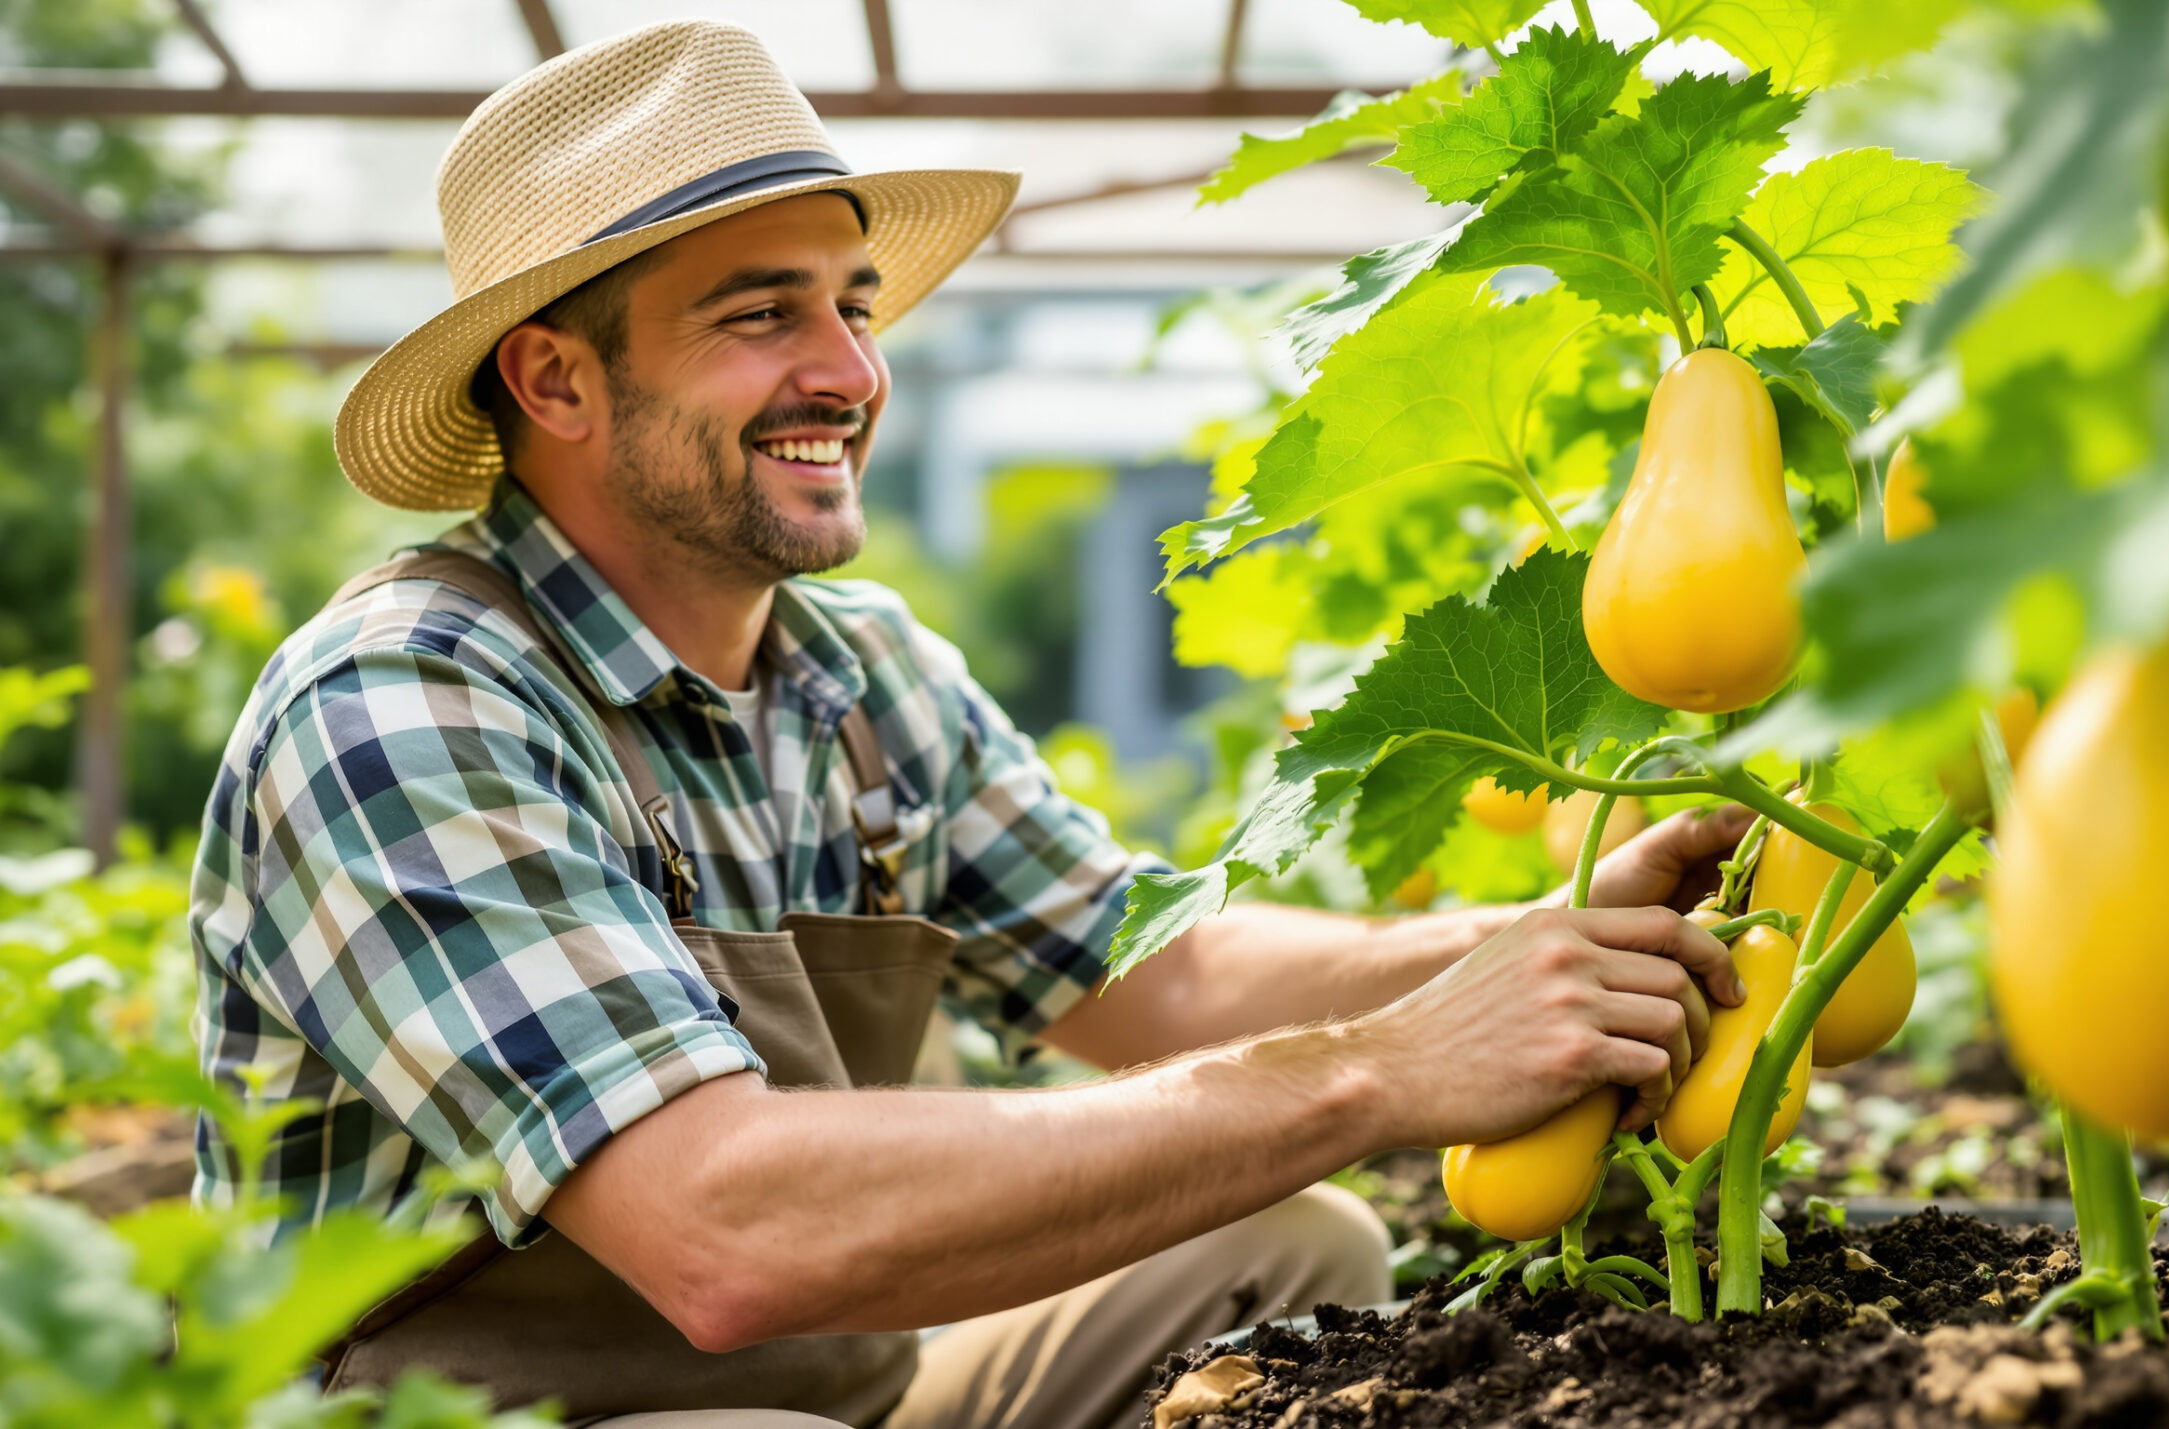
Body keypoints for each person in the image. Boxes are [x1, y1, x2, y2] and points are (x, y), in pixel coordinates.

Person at [188, 21, 1751, 1429]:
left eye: (855, 307)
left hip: (838, 1382)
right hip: (454, 1417)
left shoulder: (861, 674)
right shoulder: (404, 701)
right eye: (760, 316)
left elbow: (1158, 975)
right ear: (556, 379)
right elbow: (721, 1230)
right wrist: (1371, 1072)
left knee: (1303, 1249)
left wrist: (1533, 937)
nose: (851, 372)